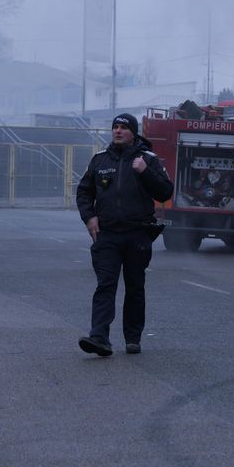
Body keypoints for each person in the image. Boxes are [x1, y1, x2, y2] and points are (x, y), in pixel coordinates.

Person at [76, 113, 174, 357]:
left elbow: (164, 193)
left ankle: (132, 338)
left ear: (133, 132)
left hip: (137, 234)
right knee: (105, 285)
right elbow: (84, 192)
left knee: (134, 287)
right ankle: (99, 337)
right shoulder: (99, 160)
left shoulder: (148, 160)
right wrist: (89, 217)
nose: (118, 131)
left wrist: (144, 172)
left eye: (123, 128)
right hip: (107, 235)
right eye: (115, 127)